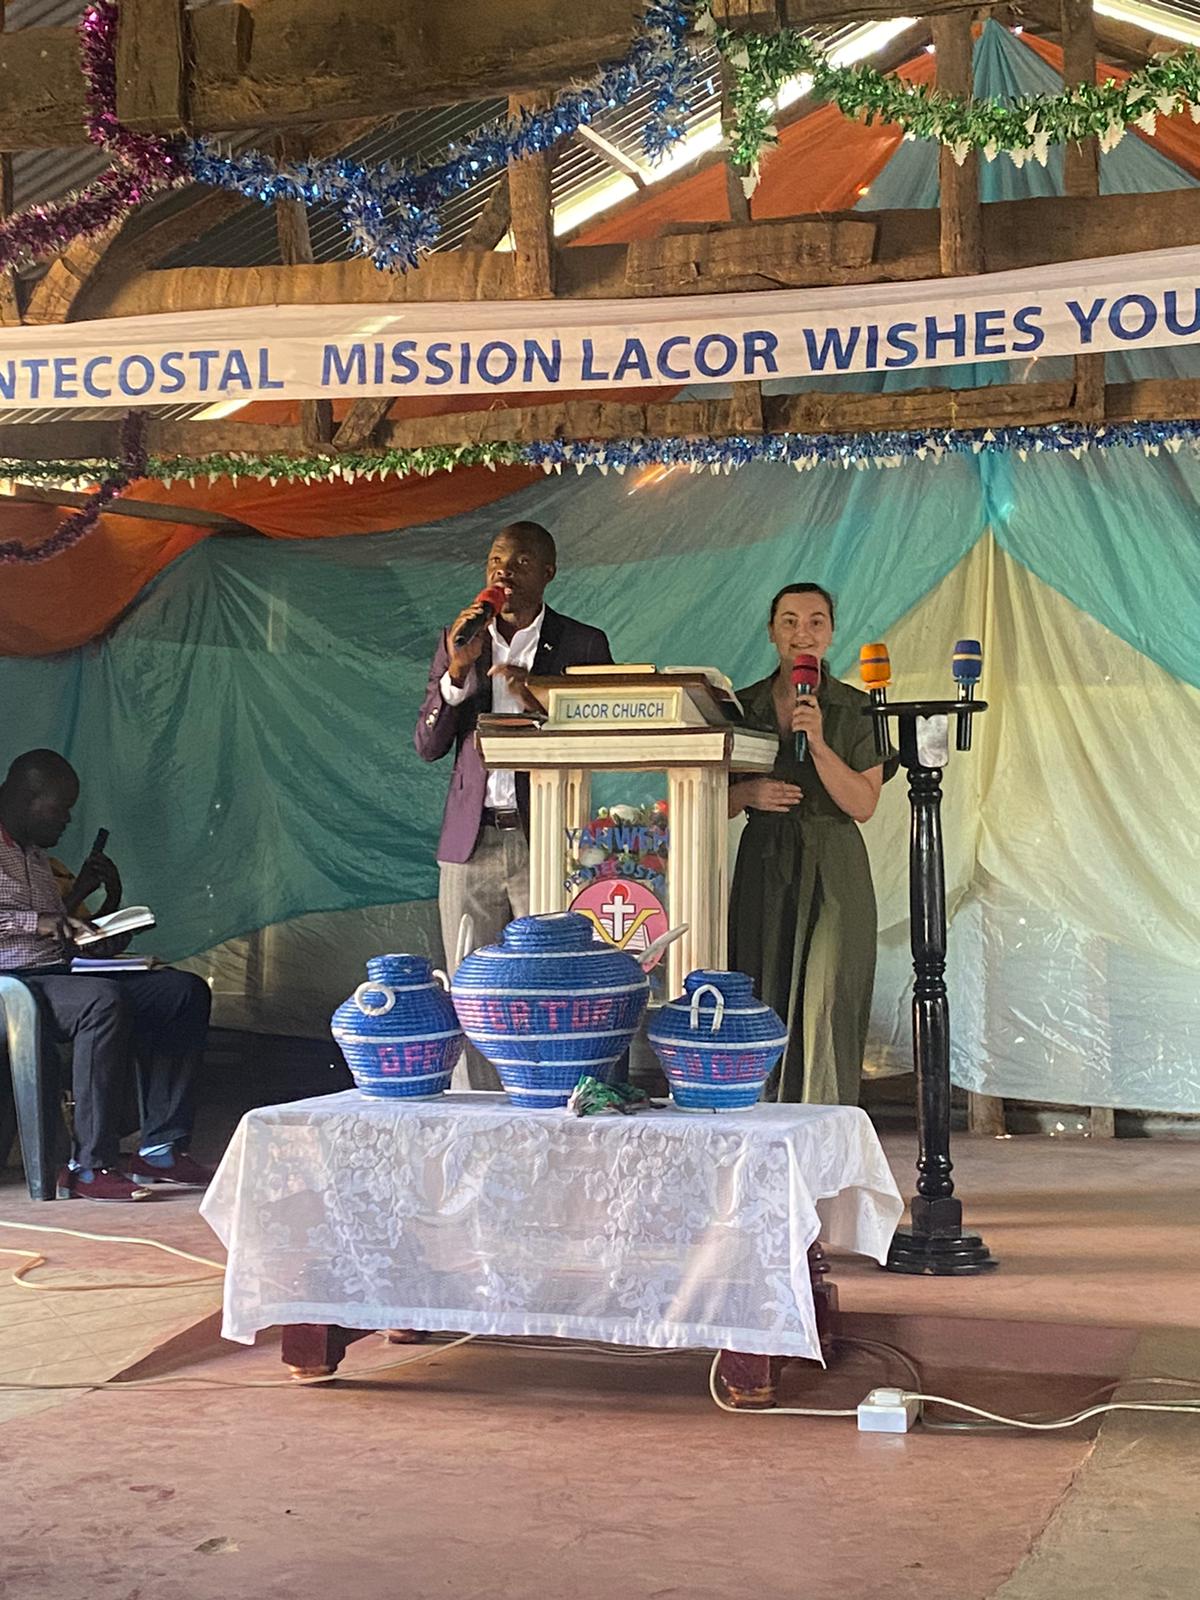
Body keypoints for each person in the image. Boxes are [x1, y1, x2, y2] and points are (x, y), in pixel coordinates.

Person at [414, 521, 612, 1088]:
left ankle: (551, 1096)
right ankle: (477, 1105)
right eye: (496, 560)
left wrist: (538, 697)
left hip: (545, 837)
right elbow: (428, 744)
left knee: (549, 980)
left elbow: (605, 739)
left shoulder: (583, 644)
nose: (504, 570)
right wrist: (457, 673)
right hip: (470, 840)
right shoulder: (459, 638)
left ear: (548, 573)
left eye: (520, 562)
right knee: (472, 985)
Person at [0, 750, 212, 1202]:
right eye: (61, 807)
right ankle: (89, 1165)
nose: (67, 819)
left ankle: (161, 1148)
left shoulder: (34, 856)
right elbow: (34, 927)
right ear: (26, 797)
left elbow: (56, 930)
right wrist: (37, 923)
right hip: (13, 983)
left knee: (182, 992)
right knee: (100, 1001)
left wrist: (97, 925)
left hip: (56, 972)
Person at [727, 584, 896, 1106]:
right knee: (760, 991)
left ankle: (823, 1127)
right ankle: (758, 1124)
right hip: (764, 860)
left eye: (816, 621)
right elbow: (706, 797)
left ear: (831, 633)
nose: (803, 633)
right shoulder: (740, 705)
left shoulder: (858, 708)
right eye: (790, 621)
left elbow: (862, 803)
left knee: (828, 999)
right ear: (771, 631)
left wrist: (818, 742)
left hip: (833, 865)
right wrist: (748, 793)